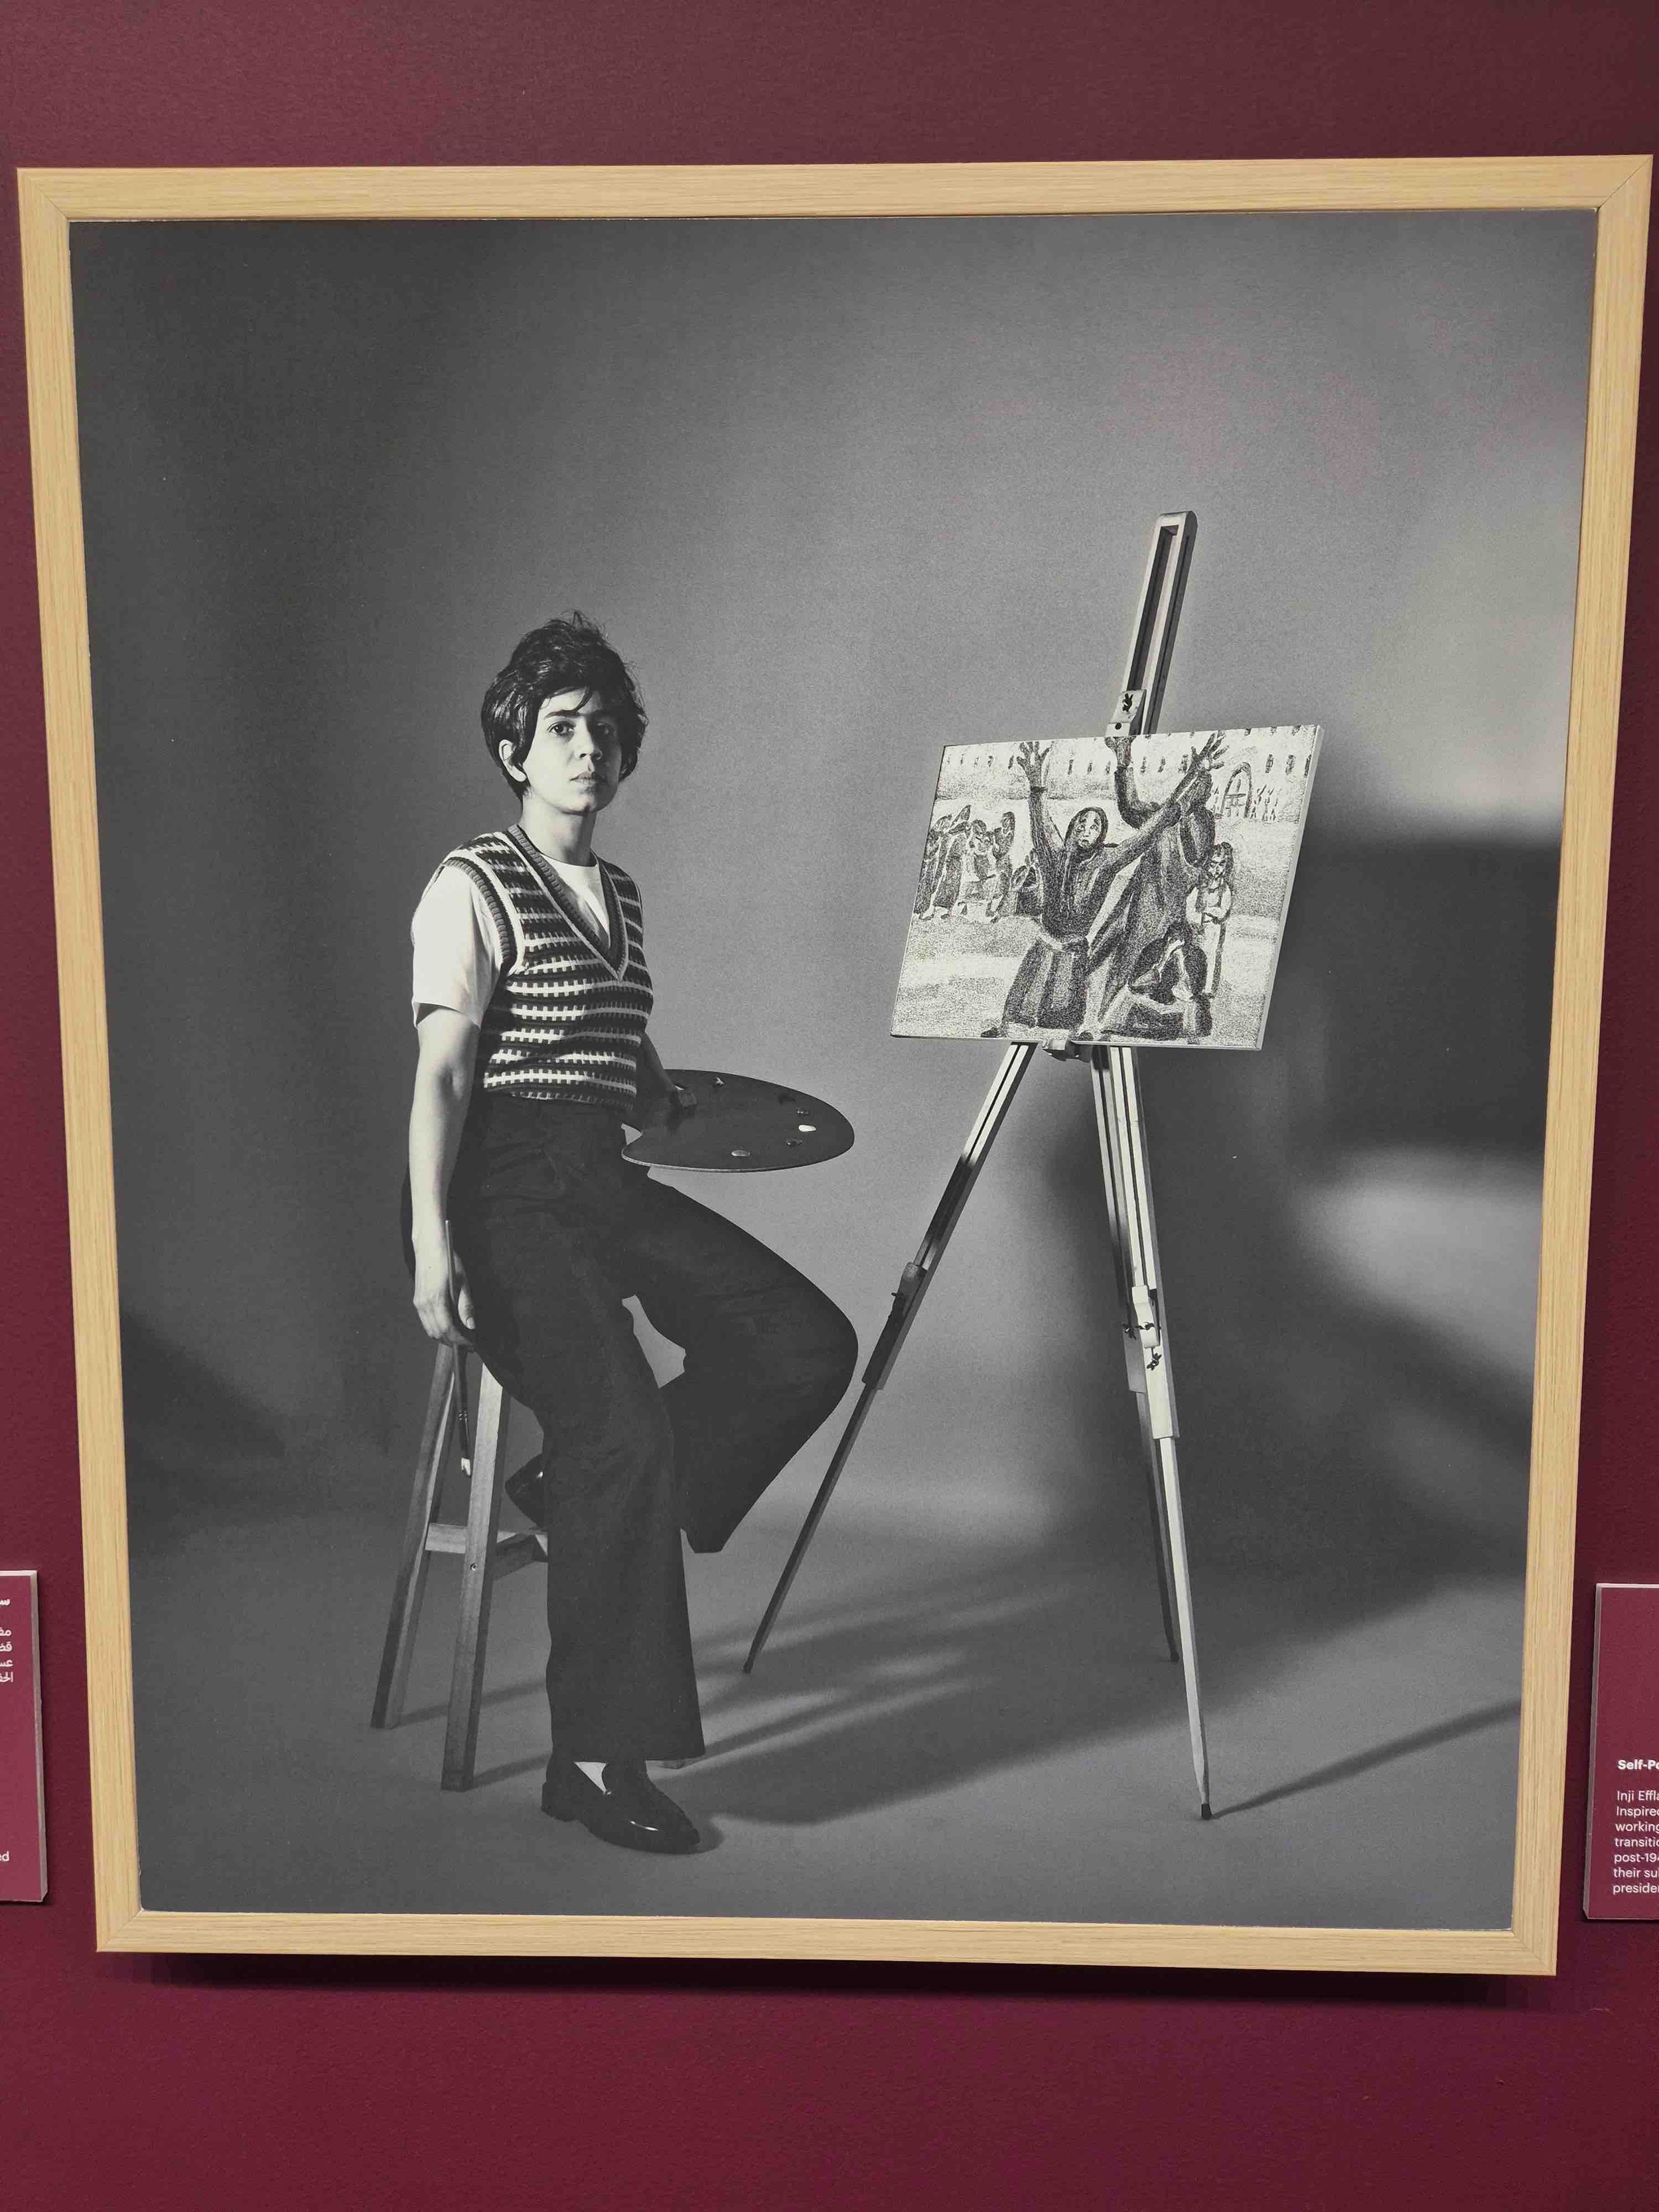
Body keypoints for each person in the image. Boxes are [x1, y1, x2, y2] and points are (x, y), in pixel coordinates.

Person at [407, 613, 857, 1856]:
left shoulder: (622, 896)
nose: (587, 746)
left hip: (603, 1173)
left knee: (804, 1340)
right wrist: (432, 1249)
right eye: (561, 726)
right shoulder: (472, 882)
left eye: (605, 727)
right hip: (505, 1197)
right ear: (513, 746)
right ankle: (594, 1762)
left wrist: (653, 1090)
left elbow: (614, 1022)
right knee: (626, 1432)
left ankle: (581, 1491)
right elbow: (445, 1077)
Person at [991, 739, 1219, 1035]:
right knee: (1033, 990)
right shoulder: (1057, 855)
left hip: (1139, 924)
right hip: (1069, 933)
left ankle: (1103, 1026)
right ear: (1073, 827)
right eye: (1082, 824)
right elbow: (1043, 825)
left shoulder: (1112, 859)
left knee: (1087, 993)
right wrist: (1037, 785)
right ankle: (1011, 1026)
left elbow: (1154, 827)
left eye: (1094, 826)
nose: (1086, 830)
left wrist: (1192, 777)